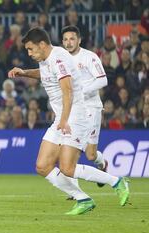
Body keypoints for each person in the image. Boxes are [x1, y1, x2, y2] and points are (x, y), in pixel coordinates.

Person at [8, 27, 129, 215]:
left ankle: (116, 181)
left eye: (31, 49)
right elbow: (45, 74)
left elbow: (68, 91)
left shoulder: (58, 57)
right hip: (62, 117)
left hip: (75, 116)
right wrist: (23, 72)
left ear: (42, 45)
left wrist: (64, 121)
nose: (29, 53)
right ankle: (83, 199)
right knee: (42, 166)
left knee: (67, 168)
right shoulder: (45, 60)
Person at [61, 25, 109, 189]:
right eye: (66, 39)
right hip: (73, 110)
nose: (69, 42)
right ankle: (74, 191)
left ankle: (102, 164)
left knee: (90, 154)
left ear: (79, 40)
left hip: (91, 108)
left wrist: (82, 91)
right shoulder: (61, 60)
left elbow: (103, 80)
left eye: (72, 39)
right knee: (70, 148)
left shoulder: (90, 57)